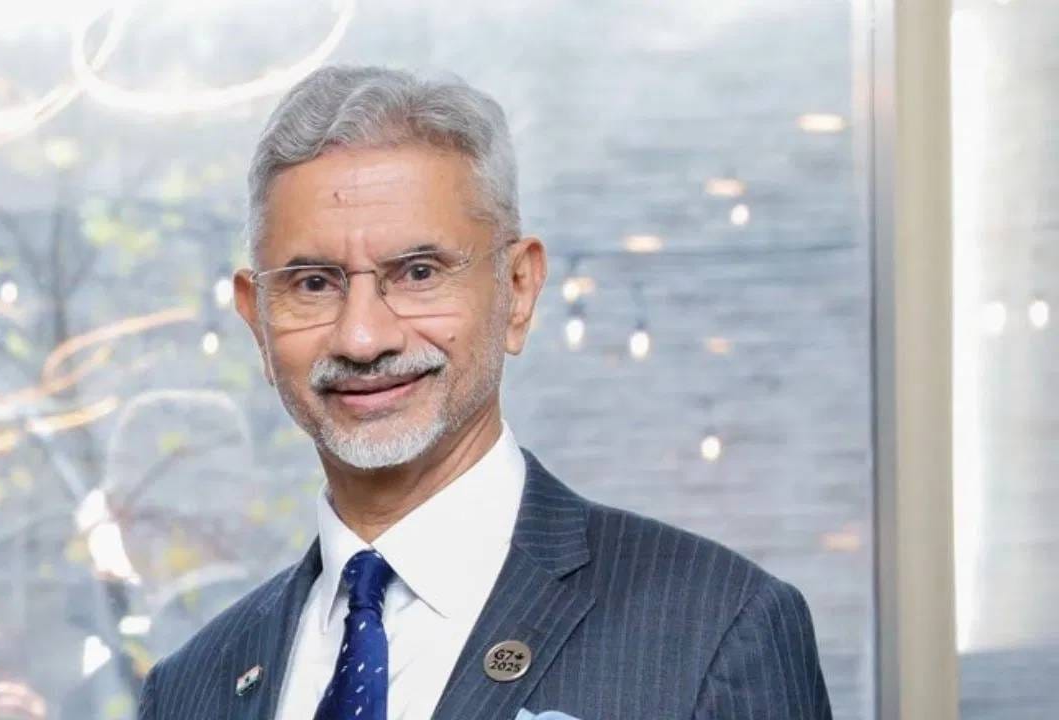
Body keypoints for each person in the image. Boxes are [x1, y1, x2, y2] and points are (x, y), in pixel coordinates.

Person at [138, 65, 832, 720]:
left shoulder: (713, 629)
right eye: (314, 283)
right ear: (257, 319)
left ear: (518, 290)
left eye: (418, 273)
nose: (363, 338)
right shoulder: (189, 689)